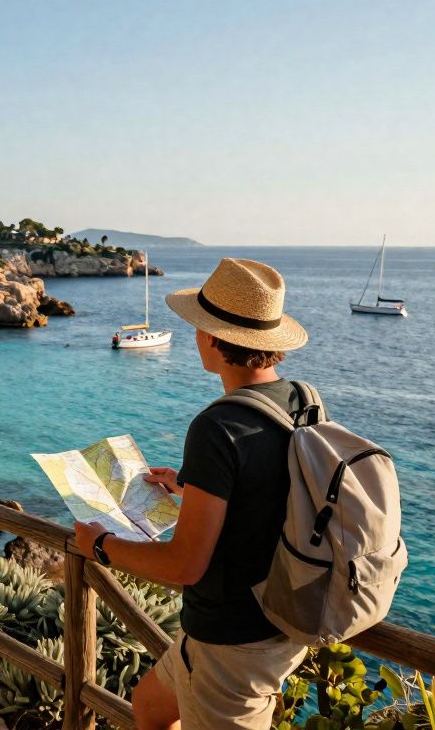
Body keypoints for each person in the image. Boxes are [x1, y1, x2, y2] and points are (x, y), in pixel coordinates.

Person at [73, 258, 310, 730]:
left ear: (213, 338)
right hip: (274, 620)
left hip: (235, 643)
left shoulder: (216, 426)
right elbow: (273, 488)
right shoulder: (300, 398)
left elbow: (185, 565)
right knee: (150, 708)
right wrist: (189, 487)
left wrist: (99, 545)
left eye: (198, 326)